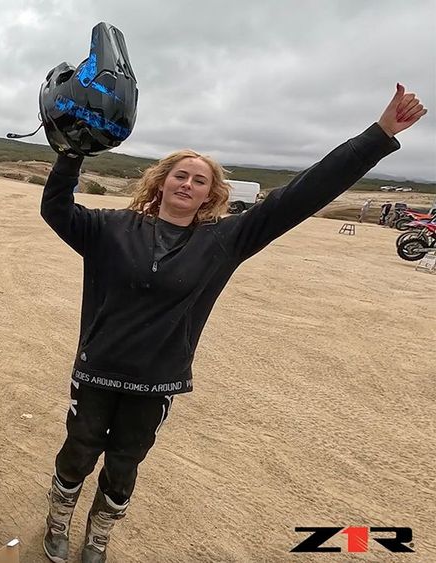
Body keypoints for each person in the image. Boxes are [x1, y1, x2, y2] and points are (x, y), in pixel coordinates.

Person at [33, 24, 427, 563]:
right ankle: (58, 519)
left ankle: (99, 534)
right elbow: (56, 210)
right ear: (160, 182)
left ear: (211, 194)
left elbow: (304, 193)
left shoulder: (223, 241)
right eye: (180, 175)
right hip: (99, 366)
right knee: (79, 450)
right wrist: (71, 152)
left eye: (200, 180)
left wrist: (378, 135)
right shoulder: (110, 228)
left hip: (157, 377)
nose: (188, 184)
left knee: (125, 463)